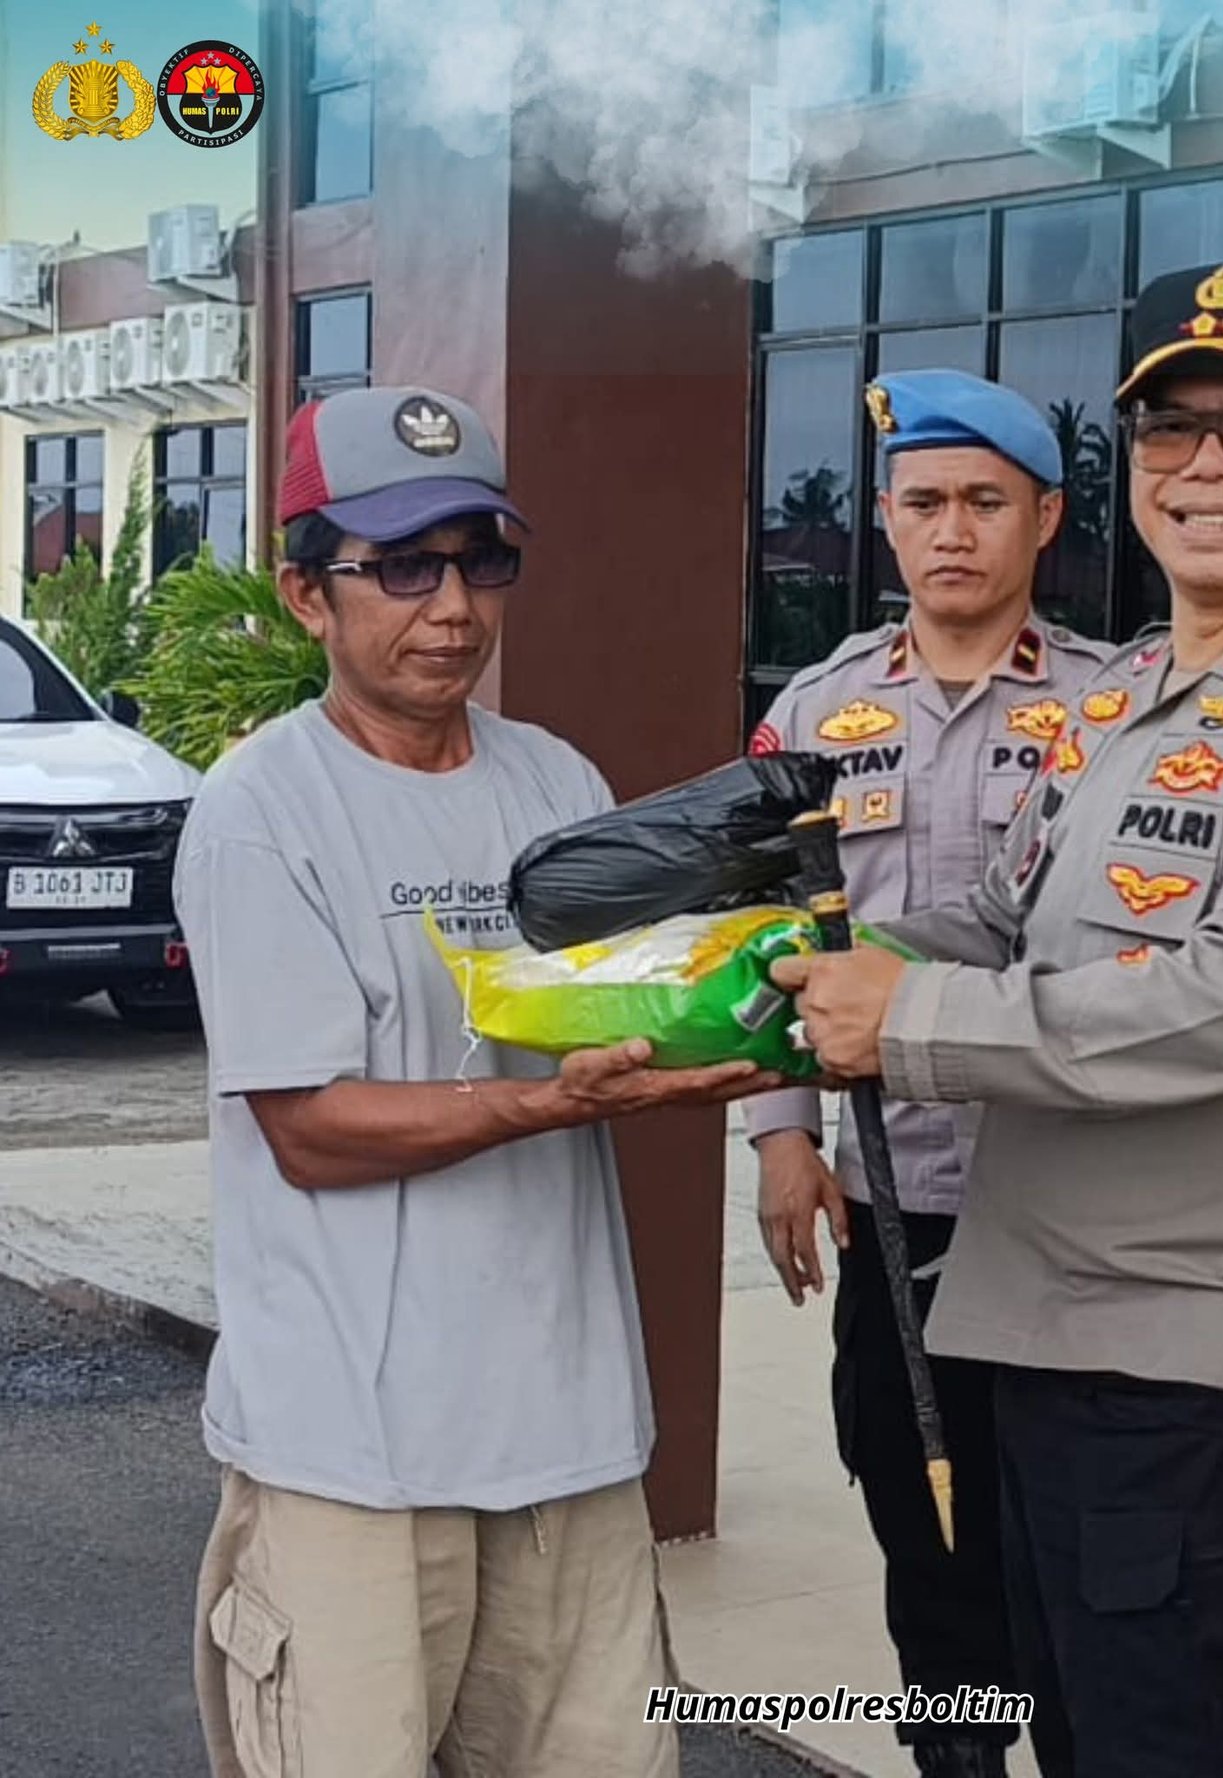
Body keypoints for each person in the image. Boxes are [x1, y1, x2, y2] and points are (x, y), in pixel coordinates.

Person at [771, 263, 1223, 1777]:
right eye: (1171, 427)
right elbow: (999, 925)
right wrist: (775, 973)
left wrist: (905, 1019)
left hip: (1208, 1382)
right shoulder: (1133, 697)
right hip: (1058, 1345)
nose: (1207, 463)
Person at [178, 385, 778, 1778]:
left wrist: (740, 1030)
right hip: (353, 1460)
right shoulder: (262, 813)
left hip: (568, 1435)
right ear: (305, 594)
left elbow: (628, 1014)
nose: (449, 605)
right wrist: (557, 1102)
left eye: (479, 558)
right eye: (400, 565)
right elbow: (311, 1127)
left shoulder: (554, 779)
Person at [747, 368, 1109, 1778]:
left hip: (1071, 1201)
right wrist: (783, 1137)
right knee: (922, 1519)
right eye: (923, 504)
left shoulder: (1111, 703)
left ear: (1046, 518)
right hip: (898, 1196)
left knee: (1071, 1535)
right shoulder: (815, 715)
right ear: (887, 522)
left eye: (984, 502)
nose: (951, 531)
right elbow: (767, 940)